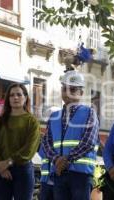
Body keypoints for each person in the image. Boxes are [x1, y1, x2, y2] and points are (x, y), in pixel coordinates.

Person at [41, 70, 100, 200]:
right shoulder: (54, 116)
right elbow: (46, 143)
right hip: (59, 173)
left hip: (81, 175)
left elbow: (88, 142)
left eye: (72, 90)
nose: (68, 93)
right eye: (64, 89)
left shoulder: (89, 113)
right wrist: (56, 160)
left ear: (81, 93)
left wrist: (66, 160)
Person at [0, 83, 41, 200]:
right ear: (8, 99)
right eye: (12, 95)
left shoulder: (32, 122)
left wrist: (8, 162)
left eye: (19, 94)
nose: (15, 97)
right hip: (1, 171)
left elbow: (30, 148)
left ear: (25, 97)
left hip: (23, 171)